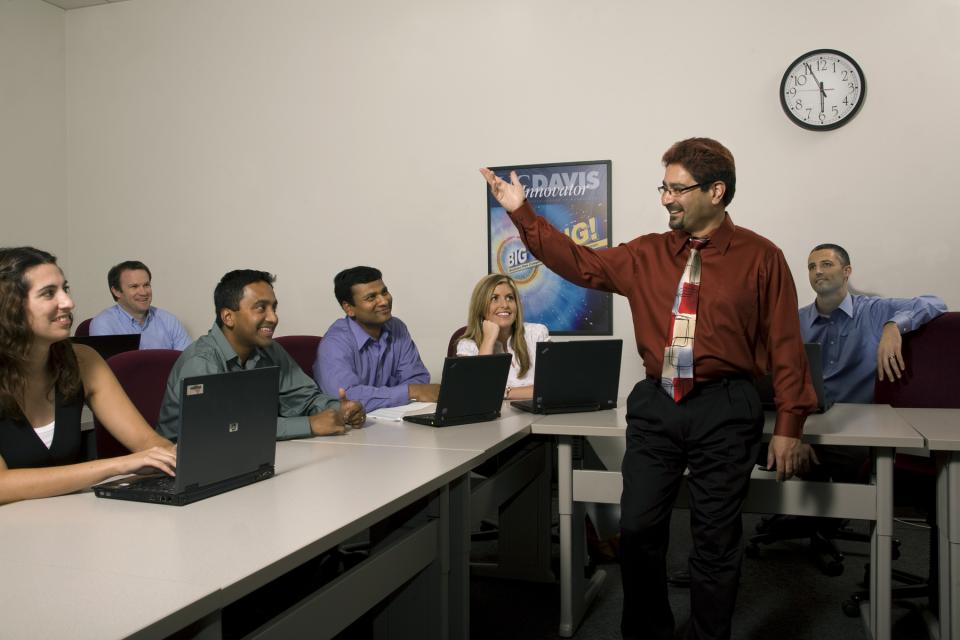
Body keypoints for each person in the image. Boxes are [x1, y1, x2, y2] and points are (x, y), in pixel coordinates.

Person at [482, 137, 818, 640]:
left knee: (715, 539)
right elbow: (578, 262)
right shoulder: (644, 253)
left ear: (717, 191)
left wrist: (790, 423)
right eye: (664, 187)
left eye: (678, 189)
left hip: (726, 405)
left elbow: (787, 345)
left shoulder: (762, 257)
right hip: (658, 403)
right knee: (637, 530)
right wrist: (522, 213)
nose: (666, 199)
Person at [0, 247, 176, 504]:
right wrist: (116, 466)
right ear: (9, 307)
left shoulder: (84, 360)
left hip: (69, 521)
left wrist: (182, 456)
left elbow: (146, 441)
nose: (69, 303)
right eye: (49, 293)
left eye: (65, 289)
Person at [795, 243, 947, 479]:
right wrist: (797, 435)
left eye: (826, 264)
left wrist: (893, 325)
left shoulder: (873, 311)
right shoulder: (796, 320)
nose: (818, 272)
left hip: (856, 426)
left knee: (836, 458)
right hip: (808, 422)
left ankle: (822, 514)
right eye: (811, 267)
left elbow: (935, 302)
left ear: (847, 271)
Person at [158, 269, 364, 441]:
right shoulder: (201, 361)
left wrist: (340, 409)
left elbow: (303, 399)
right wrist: (309, 425)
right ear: (228, 317)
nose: (273, 317)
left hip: (245, 455)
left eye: (273, 308)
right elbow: (226, 429)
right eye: (260, 308)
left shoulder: (269, 349)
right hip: (182, 468)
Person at [314, 266, 438, 411]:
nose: (384, 301)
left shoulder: (397, 327)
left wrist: (409, 391)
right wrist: (409, 392)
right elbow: (346, 397)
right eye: (371, 297)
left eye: (384, 292)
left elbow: (418, 379)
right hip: (352, 430)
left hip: (393, 422)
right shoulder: (334, 343)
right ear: (349, 308)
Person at [456, 273, 549, 400]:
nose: (505, 305)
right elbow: (474, 392)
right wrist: (488, 339)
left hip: (537, 415)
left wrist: (504, 393)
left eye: (510, 298)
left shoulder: (537, 334)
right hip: (494, 418)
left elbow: (553, 386)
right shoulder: (467, 346)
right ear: (480, 307)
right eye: (494, 298)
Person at [90, 260, 191, 350]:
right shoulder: (104, 324)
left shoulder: (169, 321)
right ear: (116, 291)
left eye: (146, 285)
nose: (143, 292)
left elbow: (187, 364)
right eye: (134, 286)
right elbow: (107, 368)